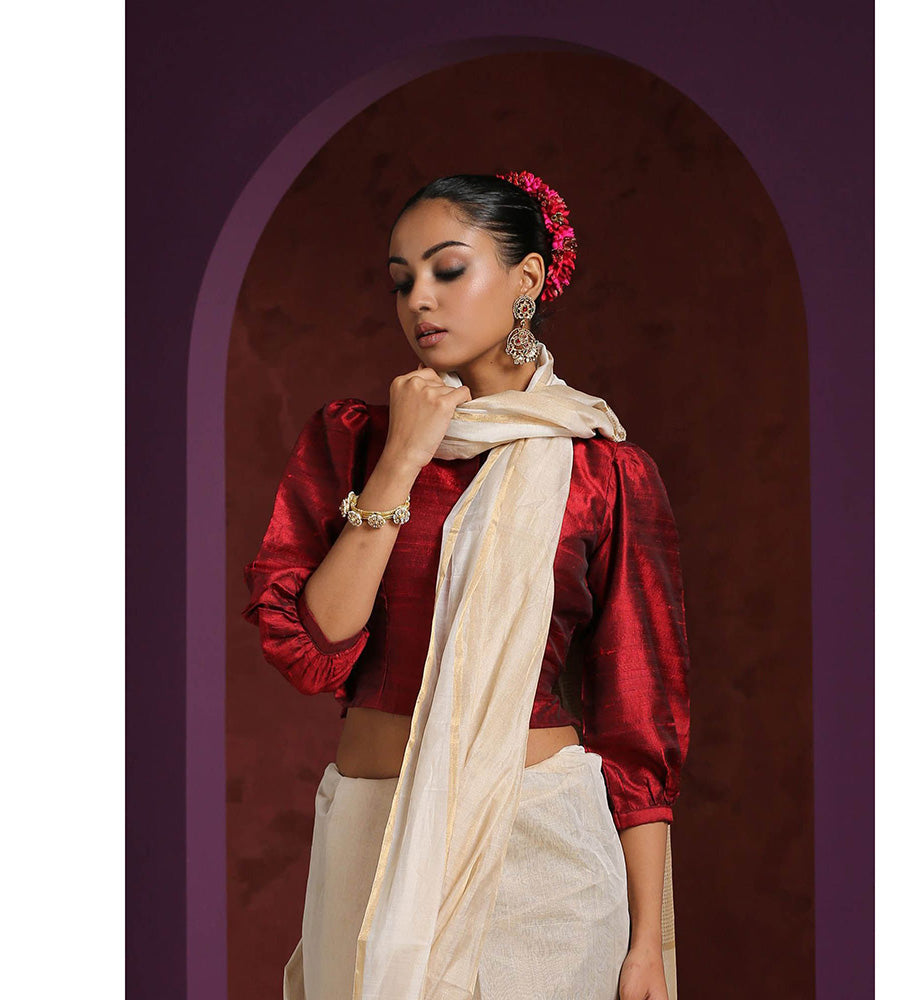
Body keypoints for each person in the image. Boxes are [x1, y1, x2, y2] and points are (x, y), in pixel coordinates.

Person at [242, 171, 691, 1000]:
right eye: (401, 280)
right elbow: (313, 648)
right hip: (370, 838)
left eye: (448, 269)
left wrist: (648, 943)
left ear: (527, 280)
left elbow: (640, 713)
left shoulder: (602, 471)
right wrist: (403, 457)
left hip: (541, 850)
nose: (420, 298)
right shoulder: (355, 442)